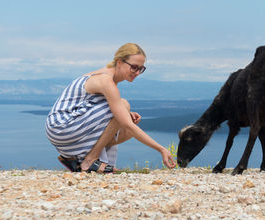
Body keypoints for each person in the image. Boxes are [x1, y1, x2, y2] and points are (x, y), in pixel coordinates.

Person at [45, 43, 176, 172]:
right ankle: (90, 160)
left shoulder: (108, 78)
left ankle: (75, 160)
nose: (137, 73)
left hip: (63, 132)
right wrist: (161, 149)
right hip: (62, 127)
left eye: (141, 69)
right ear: (119, 62)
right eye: (134, 67)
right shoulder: (105, 80)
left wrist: (123, 115)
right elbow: (126, 123)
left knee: (127, 131)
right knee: (124, 106)